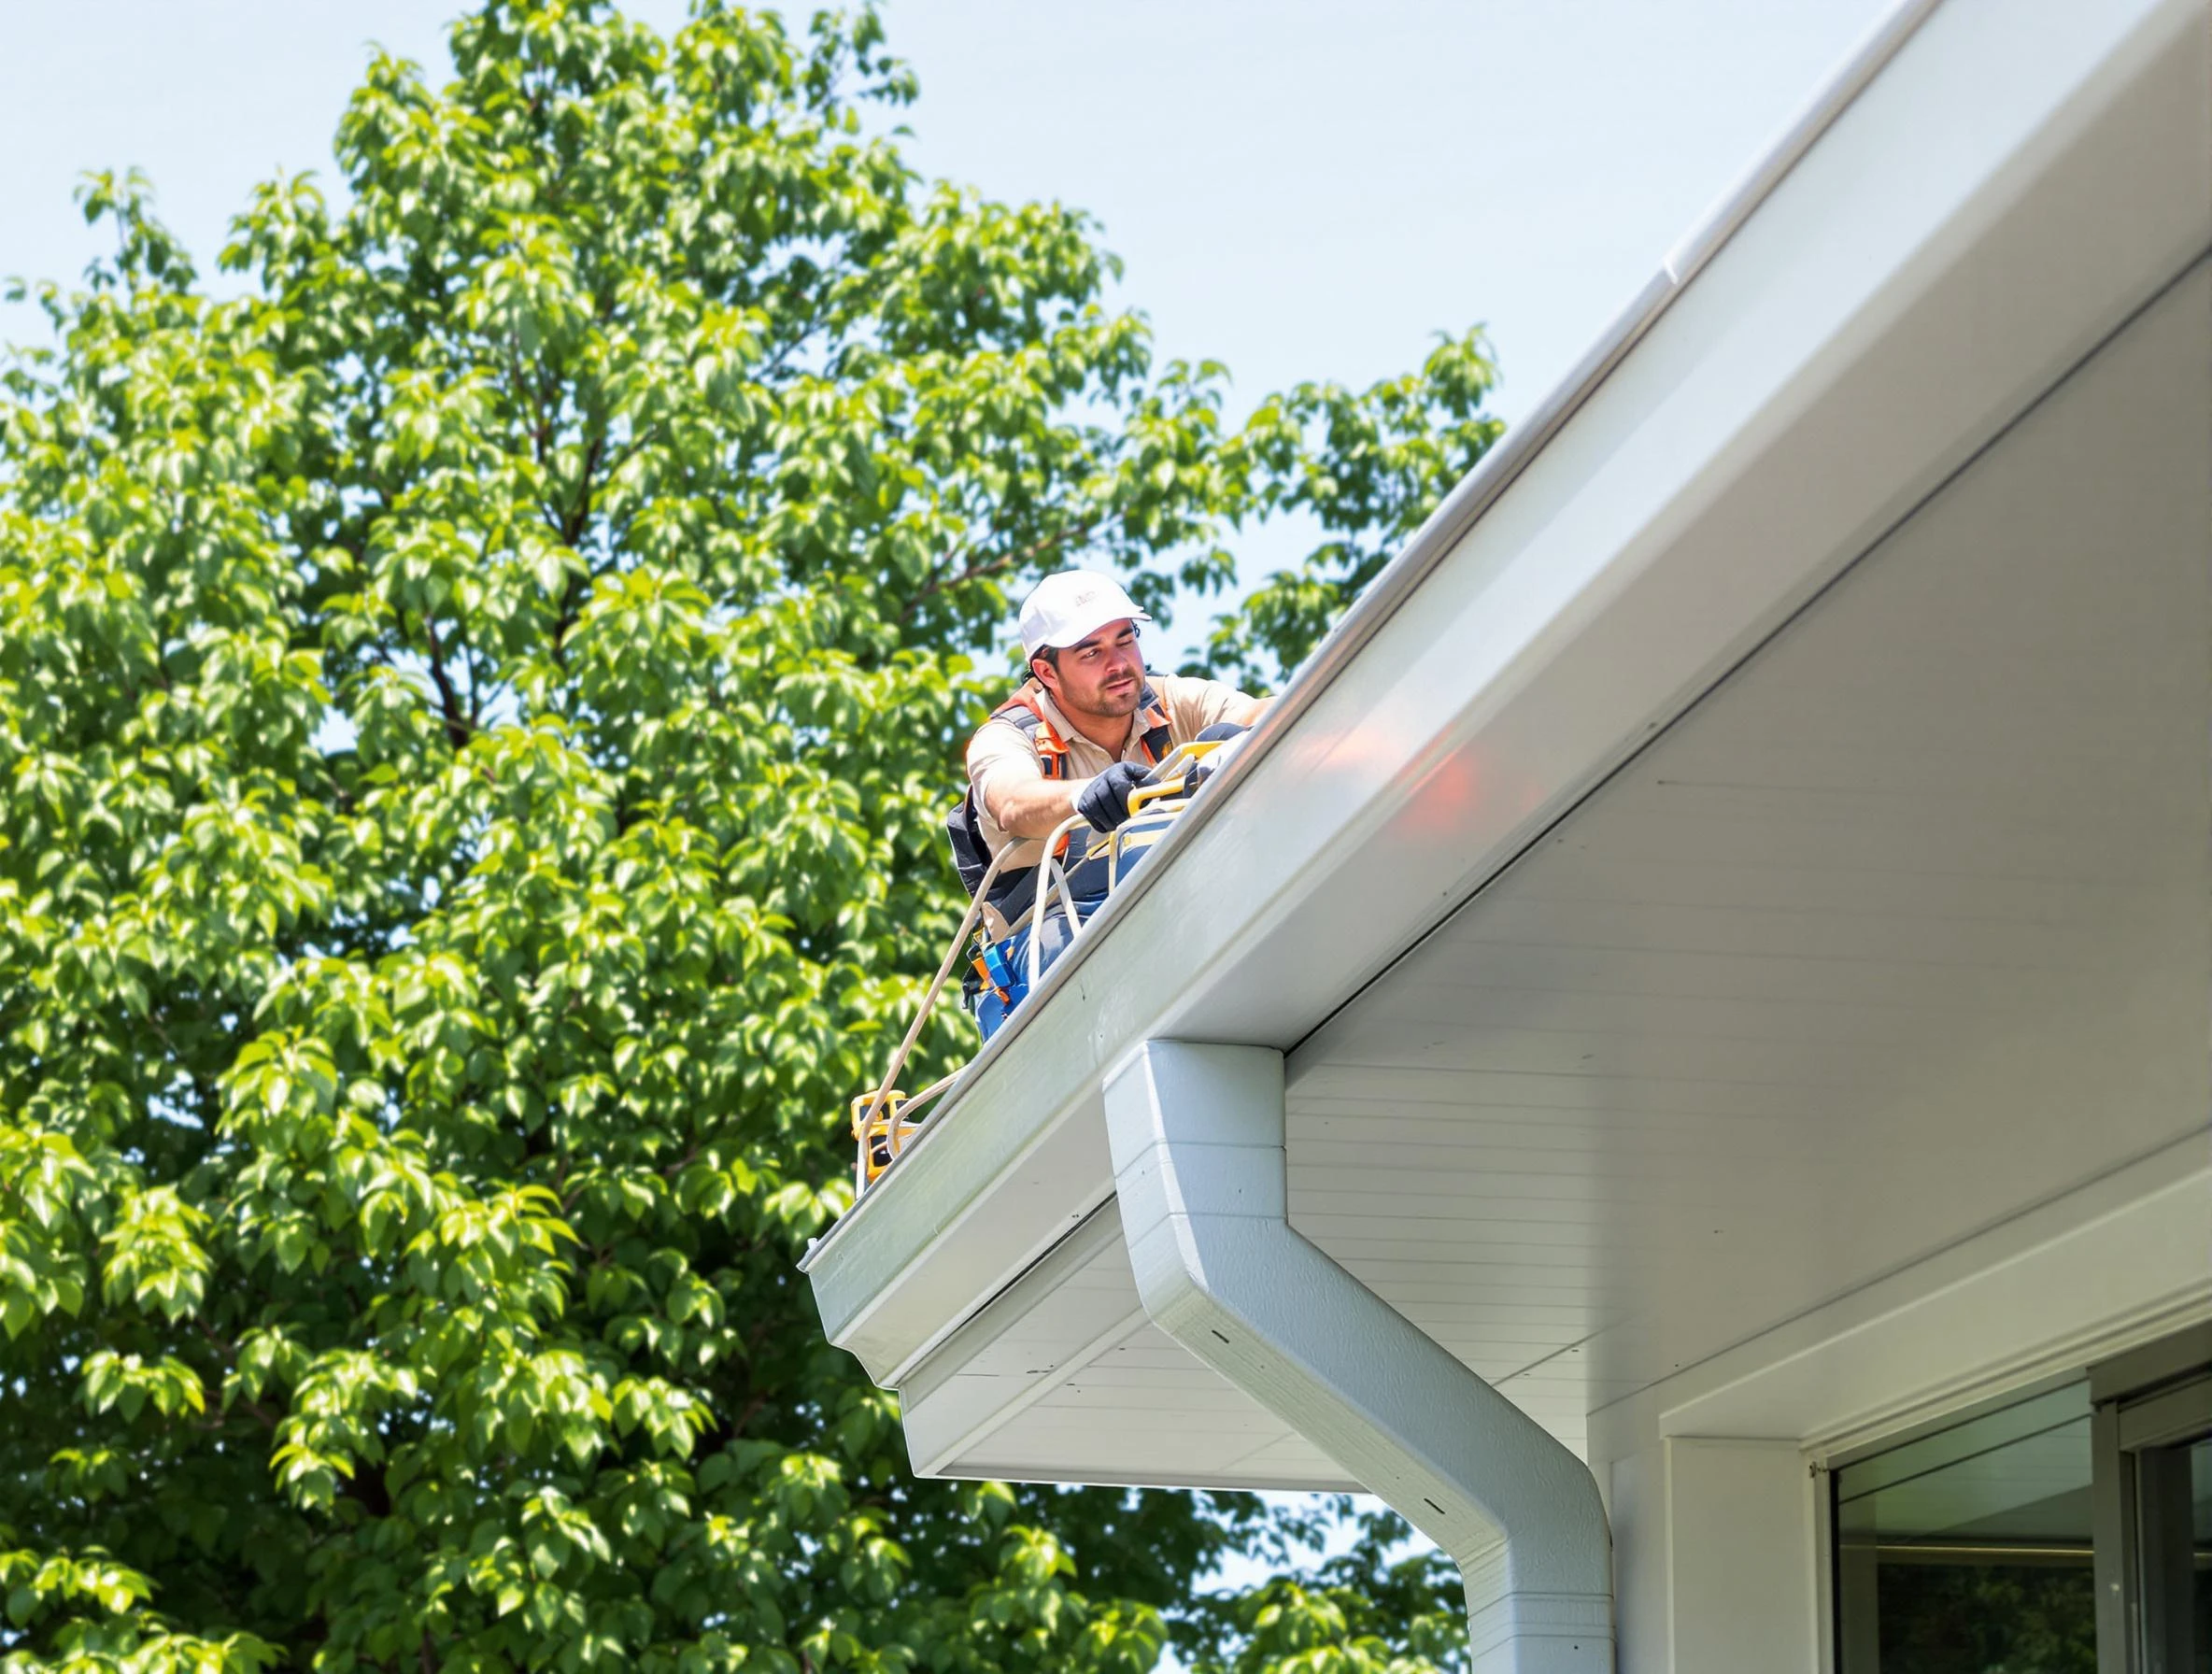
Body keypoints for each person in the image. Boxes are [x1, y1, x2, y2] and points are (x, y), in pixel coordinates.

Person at [957, 572, 1269, 1030]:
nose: (1119, 663)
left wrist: (1241, 739)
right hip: (1045, 948)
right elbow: (1012, 801)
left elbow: (1271, 711)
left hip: (1162, 905)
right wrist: (1085, 795)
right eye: (1091, 653)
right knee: (1104, 926)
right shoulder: (1007, 737)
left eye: (1125, 641)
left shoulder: (1168, 702)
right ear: (1046, 672)